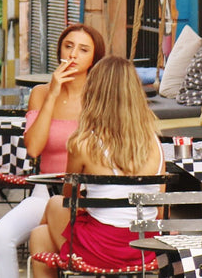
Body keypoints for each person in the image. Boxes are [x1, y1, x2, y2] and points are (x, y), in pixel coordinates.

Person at [30, 57, 163, 278]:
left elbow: (69, 199)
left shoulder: (83, 143)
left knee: (54, 205)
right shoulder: (155, 144)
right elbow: (158, 211)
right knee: (39, 235)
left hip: (101, 251)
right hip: (145, 250)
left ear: (93, 93)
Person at [0, 24, 103, 278]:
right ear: (59, 50)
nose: (74, 54)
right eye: (68, 46)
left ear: (94, 58)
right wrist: (52, 93)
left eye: (83, 50)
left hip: (91, 195)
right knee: (1, 235)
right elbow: (33, 148)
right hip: (46, 192)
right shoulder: (40, 93)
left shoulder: (100, 97)